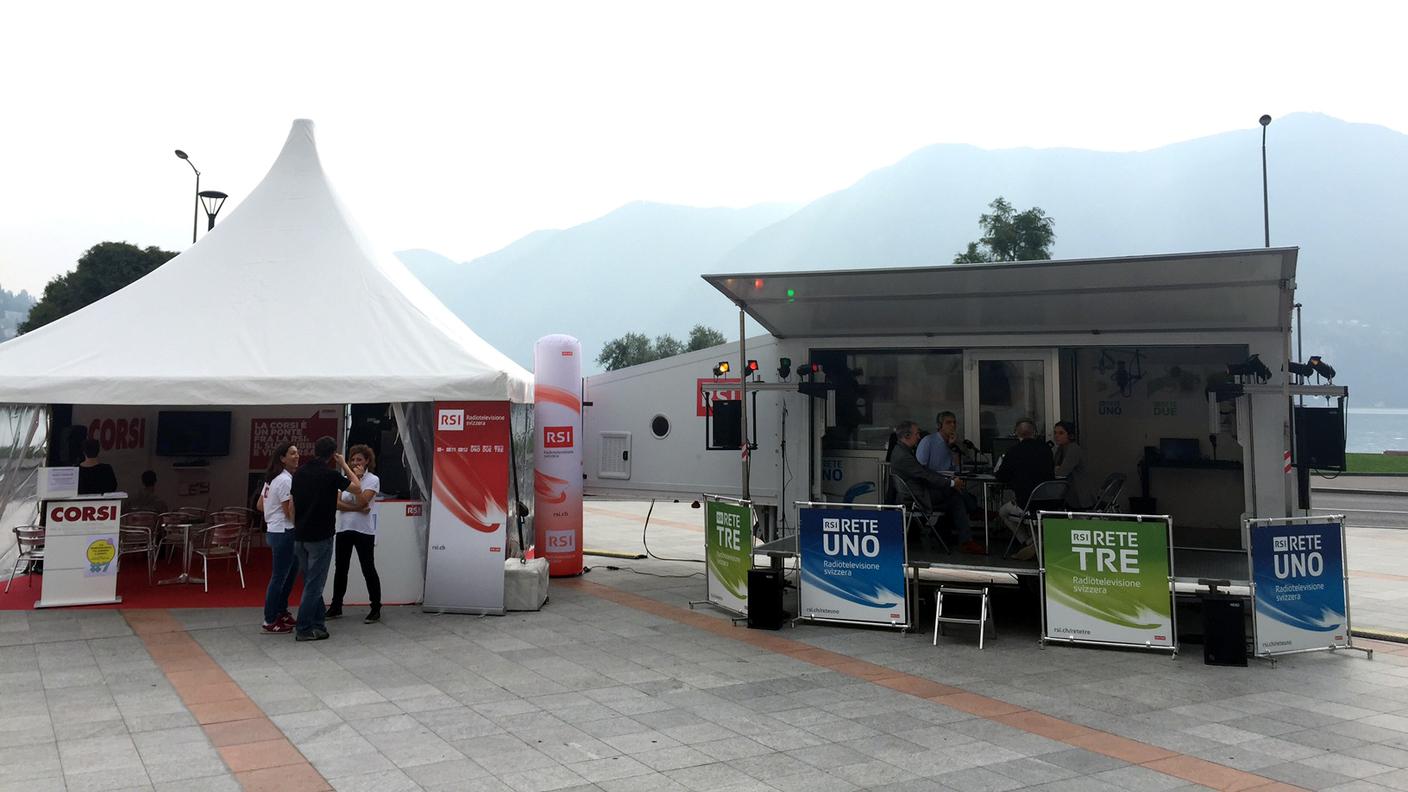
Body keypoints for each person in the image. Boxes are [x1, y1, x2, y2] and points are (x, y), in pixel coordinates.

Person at [290, 436, 361, 642]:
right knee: (315, 584)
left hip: (300, 535)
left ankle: (318, 623)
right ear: (332, 454)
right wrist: (344, 464)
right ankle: (303, 627)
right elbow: (357, 487)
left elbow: (293, 504)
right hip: (321, 536)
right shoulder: (330, 475)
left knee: (311, 581)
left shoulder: (300, 473)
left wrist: (296, 526)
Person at [888, 420, 984, 555]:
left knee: (954, 498)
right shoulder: (903, 456)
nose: (919, 437)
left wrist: (947, 481)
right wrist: (950, 483)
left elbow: (924, 471)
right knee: (954, 496)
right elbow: (924, 475)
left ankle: (963, 529)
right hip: (916, 497)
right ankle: (970, 522)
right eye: (917, 434)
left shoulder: (901, 450)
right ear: (907, 436)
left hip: (917, 492)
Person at [328, 444, 382, 624]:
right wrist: (356, 508)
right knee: (341, 568)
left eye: (359, 459)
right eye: (353, 460)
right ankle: (336, 605)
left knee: (368, 568)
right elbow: (336, 504)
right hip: (344, 528)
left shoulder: (373, 480)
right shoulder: (343, 479)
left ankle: (375, 607)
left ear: (367, 461)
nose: (355, 463)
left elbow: (364, 500)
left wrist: (357, 481)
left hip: (364, 530)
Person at [995, 419, 1056, 560]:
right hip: (1050, 503)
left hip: (1026, 505)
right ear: (1034, 433)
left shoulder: (1013, 451)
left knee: (1003, 511)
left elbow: (1001, 477)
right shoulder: (1046, 449)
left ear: (1017, 433)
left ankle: (1028, 542)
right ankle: (1035, 543)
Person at [258, 442, 301, 634]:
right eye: (292, 453)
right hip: (284, 531)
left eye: (297, 453)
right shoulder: (285, 480)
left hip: (275, 529)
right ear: (282, 458)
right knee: (280, 576)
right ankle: (269, 618)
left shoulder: (272, 478)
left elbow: (261, 505)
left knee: (288, 574)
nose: (297, 456)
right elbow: (288, 511)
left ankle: (281, 611)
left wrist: (271, 513)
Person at [1052, 421, 1087, 509]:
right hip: (1067, 493)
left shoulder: (1073, 449)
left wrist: (1057, 469)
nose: (1056, 436)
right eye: (1055, 433)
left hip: (1079, 496)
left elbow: (1061, 472)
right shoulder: (1060, 449)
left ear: (1070, 435)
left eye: (1061, 433)